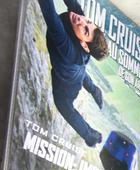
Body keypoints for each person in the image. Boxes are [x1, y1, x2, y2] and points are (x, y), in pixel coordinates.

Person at [37, 0, 110, 147]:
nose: (81, 20)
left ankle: (90, 136)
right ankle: (95, 91)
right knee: (80, 73)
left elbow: (49, 12)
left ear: (84, 44)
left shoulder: (67, 50)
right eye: (88, 22)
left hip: (67, 83)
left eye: (85, 30)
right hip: (76, 68)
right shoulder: (79, 17)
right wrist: (84, 24)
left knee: (63, 105)